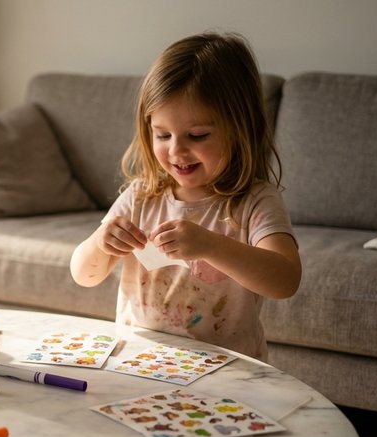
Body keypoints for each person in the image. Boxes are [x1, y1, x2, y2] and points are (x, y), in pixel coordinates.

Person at [70, 32, 301, 360]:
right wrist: (100, 242)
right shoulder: (141, 197)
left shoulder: (255, 202)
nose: (176, 150)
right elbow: (84, 275)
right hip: (141, 363)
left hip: (225, 371)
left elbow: (285, 280)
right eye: (162, 135)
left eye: (197, 135)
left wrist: (210, 245)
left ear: (240, 128)